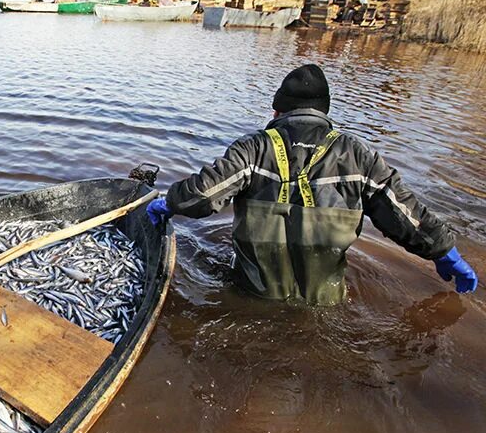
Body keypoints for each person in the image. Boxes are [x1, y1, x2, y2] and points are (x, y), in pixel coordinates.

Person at [146, 64, 478, 305]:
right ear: (324, 111)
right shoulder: (357, 154)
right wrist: (442, 249)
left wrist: (170, 203)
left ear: (277, 110)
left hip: (255, 294)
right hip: (326, 302)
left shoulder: (254, 148)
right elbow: (404, 212)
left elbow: (203, 195)